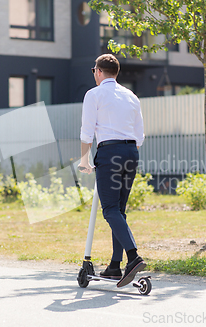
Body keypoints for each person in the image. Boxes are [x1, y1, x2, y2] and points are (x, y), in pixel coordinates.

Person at [78, 54, 145, 287]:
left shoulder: (93, 94)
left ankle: (133, 256)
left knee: (109, 210)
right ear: (115, 72)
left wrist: (84, 160)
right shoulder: (131, 96)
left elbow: (87, 132)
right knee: (119, 211)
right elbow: (140, 135)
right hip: (131, 153)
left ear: (98, 71)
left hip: (109, 153)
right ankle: (115, 266)